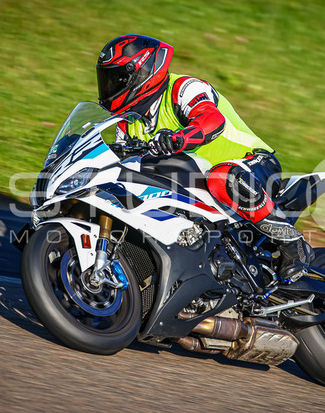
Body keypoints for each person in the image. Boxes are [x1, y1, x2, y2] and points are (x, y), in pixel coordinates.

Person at [96, 34, 313, 283]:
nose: (109, 87)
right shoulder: (127, 123)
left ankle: (293, 244)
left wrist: (178, 139)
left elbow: (211, 120)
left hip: (250, 164)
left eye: (117, 79)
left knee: (222, 178)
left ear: (143, 72)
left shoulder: (184, 88)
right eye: (106, 79)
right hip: (196, 183)